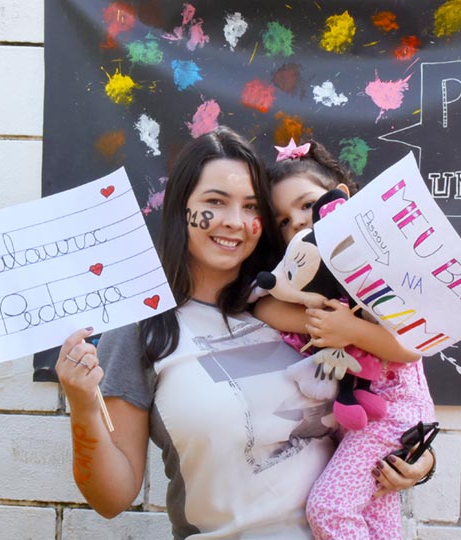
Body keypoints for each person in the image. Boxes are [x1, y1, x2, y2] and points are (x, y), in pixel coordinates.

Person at [56, 126, 434, 539]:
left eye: (252, 207)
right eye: (215, 203)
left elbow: (382, 394)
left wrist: (417, 461)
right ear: (181, 207)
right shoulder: (144, 327)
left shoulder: (301, 306)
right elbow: (110, 500)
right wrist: (83, 407)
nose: (235, 222)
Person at [253, 138, 437, 540]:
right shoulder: (307, 287)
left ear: (341, 200)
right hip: (360, 422)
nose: (298, 222)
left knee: (330, 509)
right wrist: (314, 314)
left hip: (393, 414)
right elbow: (264, 308)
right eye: (283, 221)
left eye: (306, 205)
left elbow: (413, 347)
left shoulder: (379, 269)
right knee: (378, 521)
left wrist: (351, 330)